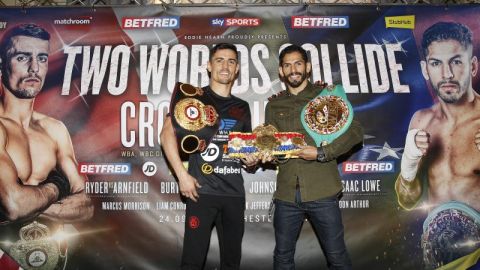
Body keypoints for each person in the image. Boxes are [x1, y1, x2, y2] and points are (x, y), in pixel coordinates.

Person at [0, 23, 93, 268]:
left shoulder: (55, 129)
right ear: (1, 64)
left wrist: (31, 202)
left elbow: (85, 207)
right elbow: (13, 205)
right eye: (22, 57)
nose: (34, 68)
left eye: (41, 58)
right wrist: (57, 186)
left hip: (50, 258)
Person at [264, 44, 363, 270]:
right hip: (287, 194)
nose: (293, 69)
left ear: (307, 66)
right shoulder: (273, 104)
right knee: (282, 258)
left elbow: (355, 131)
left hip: (323, 191)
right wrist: (264, 154)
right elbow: (273, 147)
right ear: (281, 71)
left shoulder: (326, 95)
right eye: (287, 65)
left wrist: (321, 153)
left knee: (337, 257)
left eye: (298, 63)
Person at [160, 43, 257, 270]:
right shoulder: (194, 97)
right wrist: (182, 175)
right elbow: (166, 135)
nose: (225, 66)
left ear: (237, 69)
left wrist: (251, 160)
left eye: (231, 61)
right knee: (192, 262)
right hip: (201, 192)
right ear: (209, 66)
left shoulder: (242, 106)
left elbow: (245, 148)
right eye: (220, 60)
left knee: (232, 263)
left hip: (234, 194)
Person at [395, 22, 480, 267]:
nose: (447, 75)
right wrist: (410, 164)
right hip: (436, 258)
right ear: (425, 69)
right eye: (436, 63)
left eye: (456, 61)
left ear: (472, 66)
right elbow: (408, 200)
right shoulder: (421, 122)